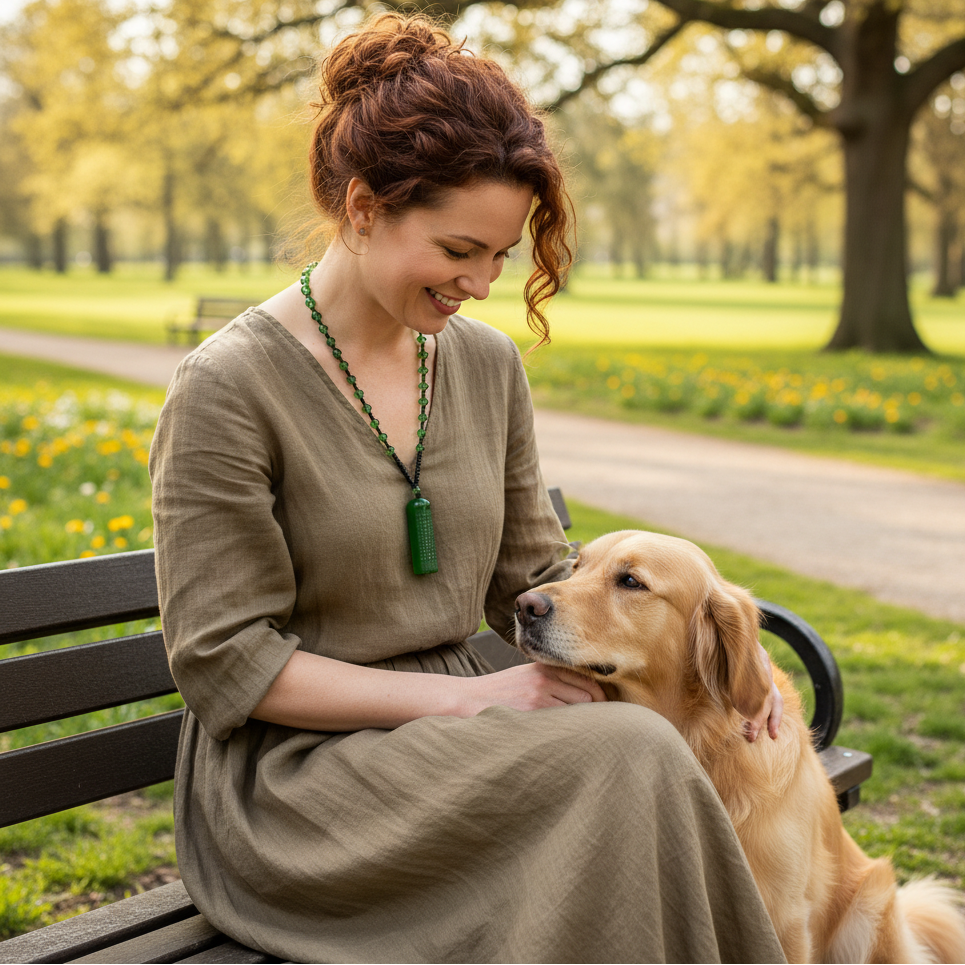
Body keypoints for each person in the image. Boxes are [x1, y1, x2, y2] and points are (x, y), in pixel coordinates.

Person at [150, 13, 787, 963]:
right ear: (362, 207)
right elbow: (225, 664)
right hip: (299, 788)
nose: (484, 284)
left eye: (501, 255)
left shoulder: (484, 366)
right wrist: (468, 704)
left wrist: (734, 654)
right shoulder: (228, 387)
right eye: (458, 251)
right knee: (630, 757)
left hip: (472, 738)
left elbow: (532, 577)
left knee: (637, 755)